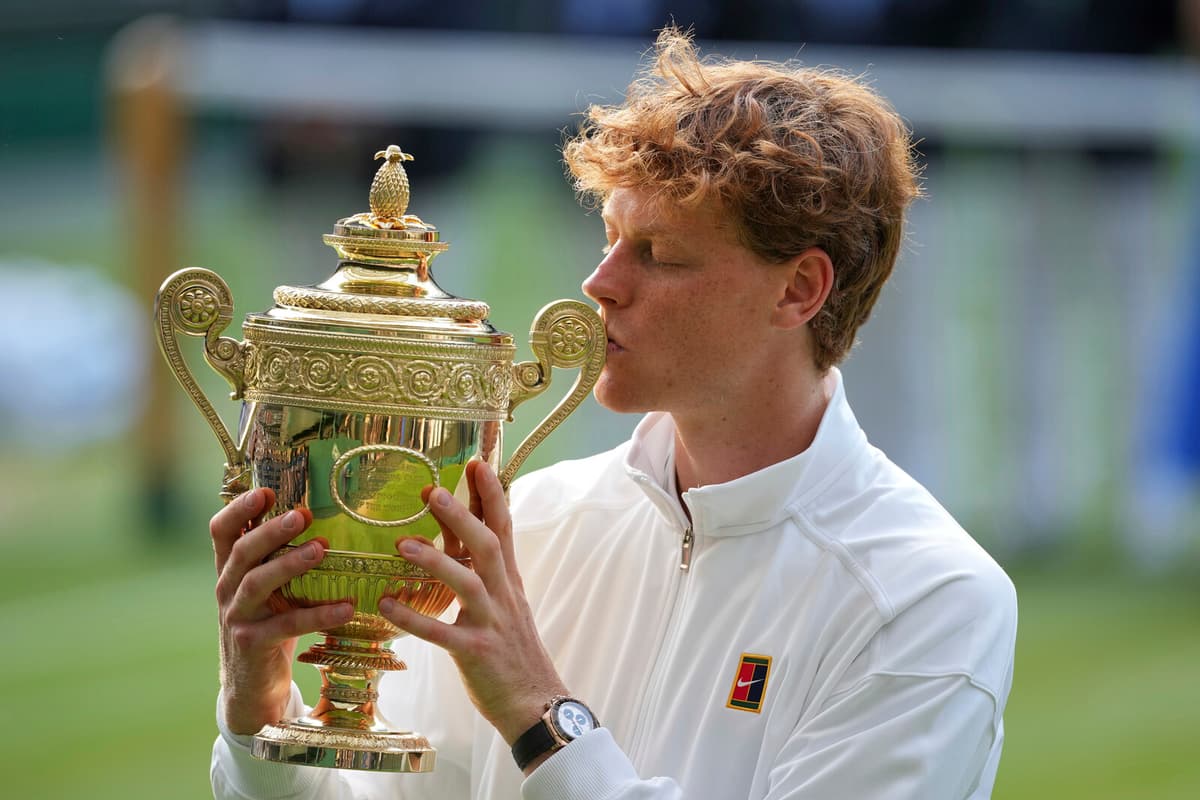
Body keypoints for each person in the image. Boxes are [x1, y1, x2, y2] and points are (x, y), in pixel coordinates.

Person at [210, 27, 1017, 799]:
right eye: (608, 238)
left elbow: (535, 717)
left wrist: (539, 712)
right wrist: (260, 714)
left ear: (799, 289)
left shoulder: (928, 598)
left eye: (659, 254)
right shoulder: (533, 520)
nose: (600, 283)